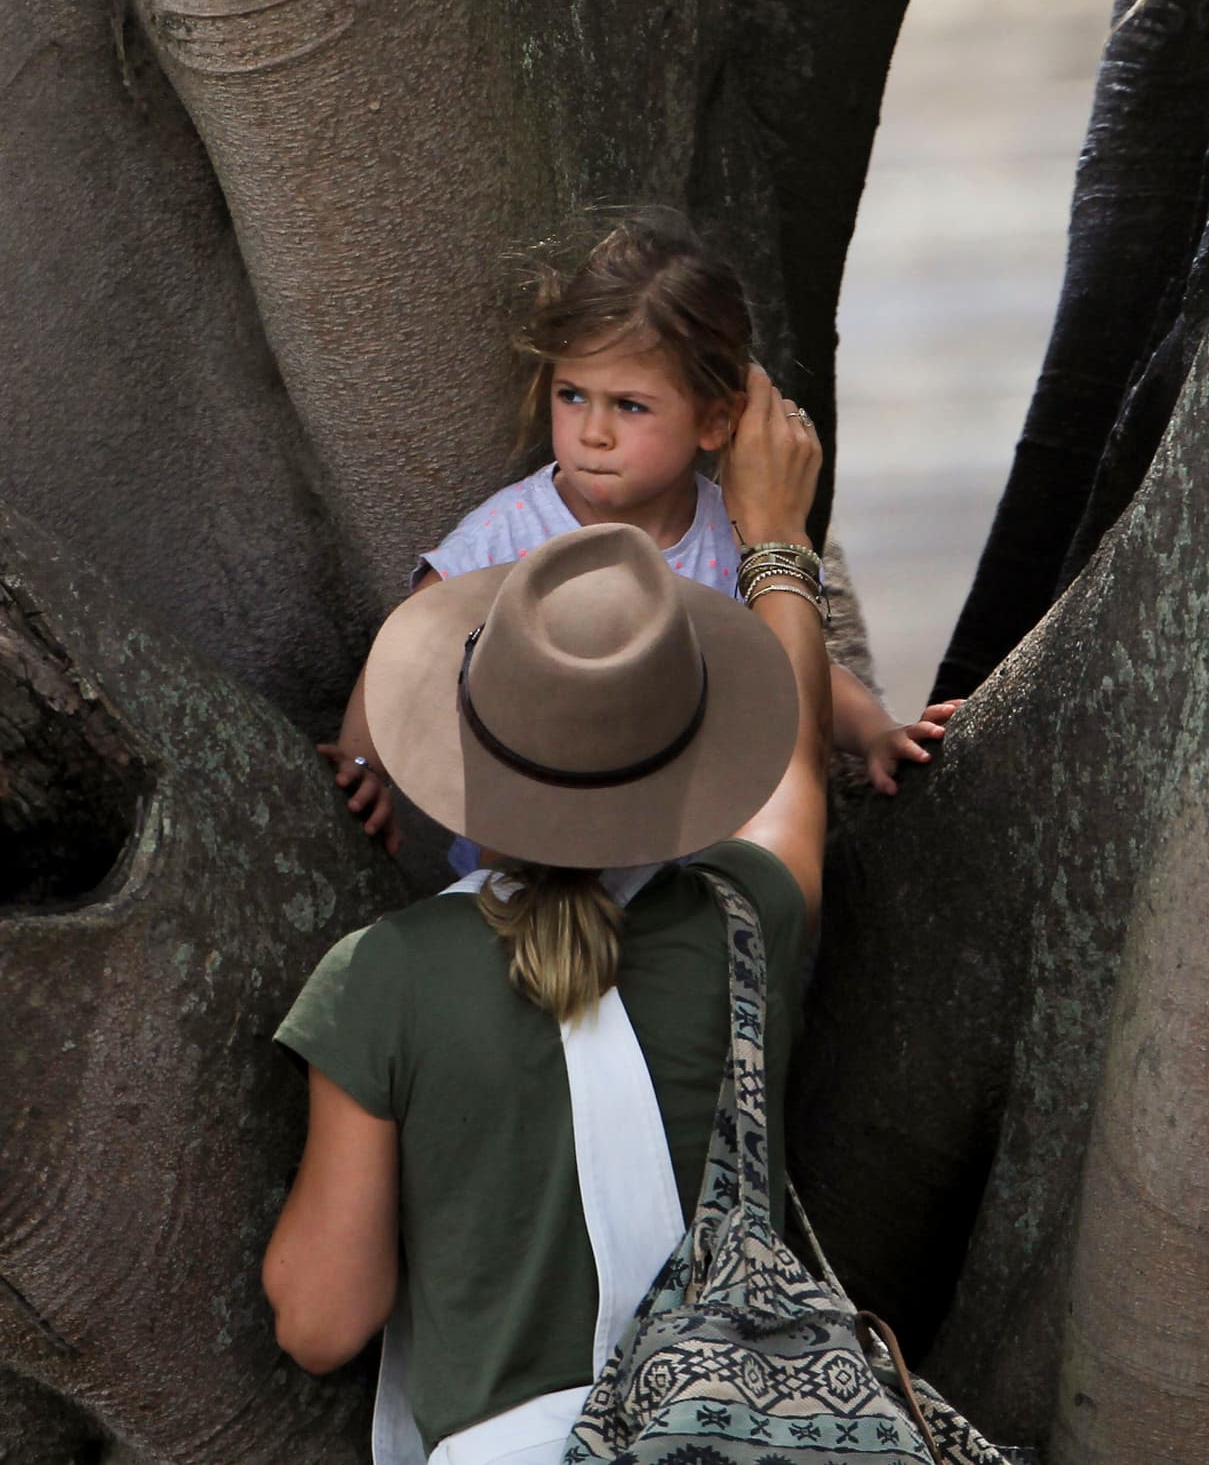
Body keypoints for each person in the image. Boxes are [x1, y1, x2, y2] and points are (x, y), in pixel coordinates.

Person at [263, 378, 831, 1464]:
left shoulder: (385, 977)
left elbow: (323, 1321)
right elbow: (796, 770)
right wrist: (772, 539)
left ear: (464, 747)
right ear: (692, 755)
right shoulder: (743, 923)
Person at [318, 208, 959, 856]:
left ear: (714, 421)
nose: (593, 431)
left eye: (629, 405)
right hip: (523, 870)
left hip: (686, 860)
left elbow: (792, 665)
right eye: (572, 395)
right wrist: (363, 763)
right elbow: (410, 644)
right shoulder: (513, 528)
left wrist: (877, 731)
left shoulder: (731, 536)